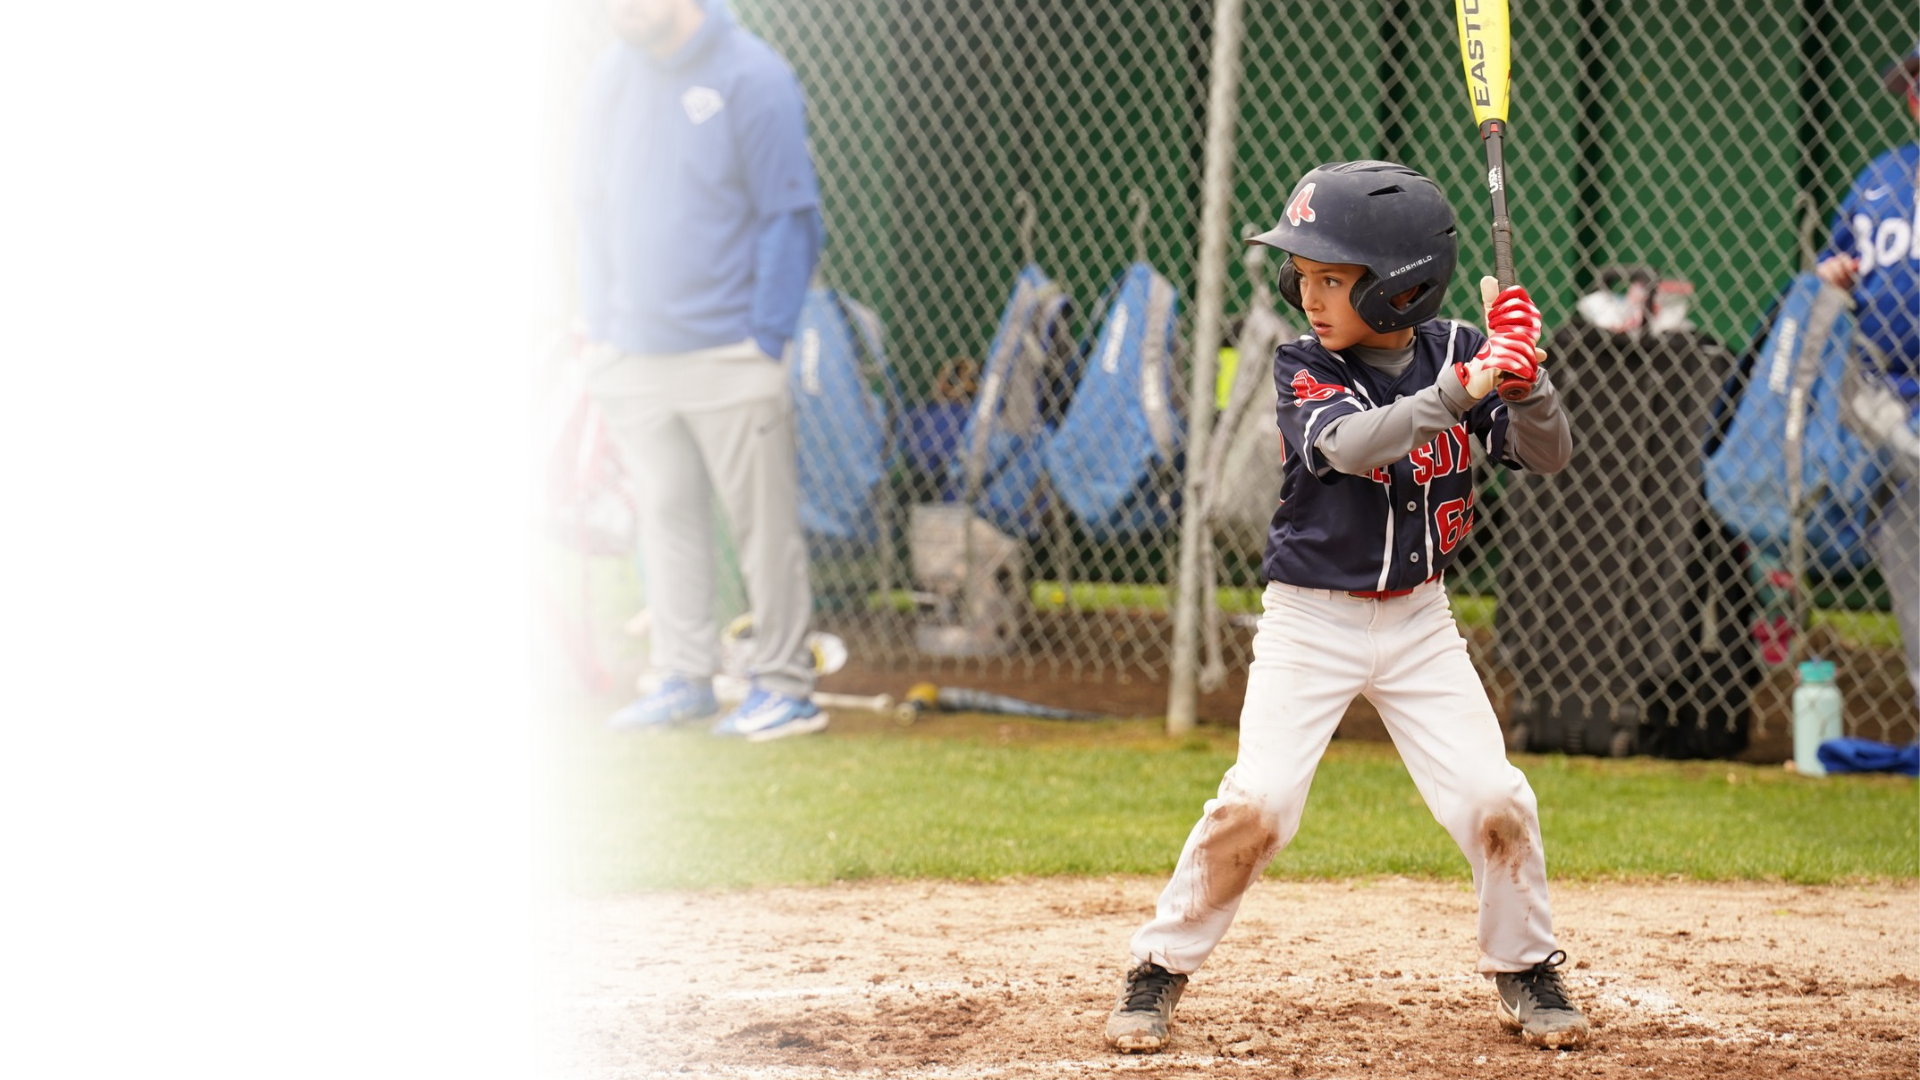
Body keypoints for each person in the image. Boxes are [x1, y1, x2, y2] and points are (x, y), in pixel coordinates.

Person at [1103, 160, 1590, 1054]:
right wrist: (1471, 385)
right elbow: (1356, 446)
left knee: (1494, 796)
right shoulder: (1305, 364)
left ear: (1402, 290)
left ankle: (1524, 965)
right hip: (1310, 622)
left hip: (1419, 622)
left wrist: (1525, 381)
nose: (1310, 293)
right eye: (1307, 275)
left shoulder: (1453, 353)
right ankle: (1158, 970)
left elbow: (1547, 454)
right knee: (1260, 804)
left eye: (1335, 278)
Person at [575, 0, 828, 740]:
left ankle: (785, 686)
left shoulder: (754, 74)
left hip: (730, 352)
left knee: (764, 531)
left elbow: (792, 215)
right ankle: (683, 676)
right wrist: (601, 328)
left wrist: (766, 337)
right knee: (667, 521)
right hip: (632, 353)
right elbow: (588, 207)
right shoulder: (609, 75)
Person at [1815, 40, 1919, 707]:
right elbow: (1835, 265)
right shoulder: (1881, 179)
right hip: (1892, 401)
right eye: (1912, 85)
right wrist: (1837, 277)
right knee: (1907, 543)